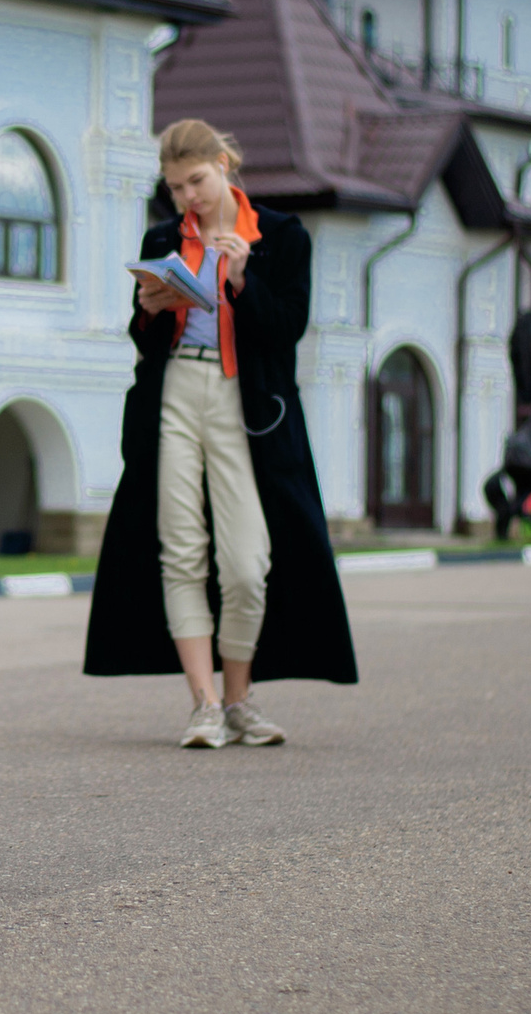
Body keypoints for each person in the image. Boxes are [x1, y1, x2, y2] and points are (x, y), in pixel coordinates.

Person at [83, 119, 357, 746]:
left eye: (196, 181)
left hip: (246, 402)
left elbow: (287, 327)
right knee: (180, 549)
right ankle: (204, 705)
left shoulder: (283, 237)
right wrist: (150, 310)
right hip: (176, 392)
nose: (187, 197)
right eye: (176, 186)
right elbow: (145, 338)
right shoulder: (164, 236)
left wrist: (240, 281)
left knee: (246, 561)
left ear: (225, 165)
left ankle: (240, 700)